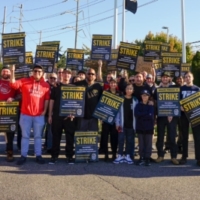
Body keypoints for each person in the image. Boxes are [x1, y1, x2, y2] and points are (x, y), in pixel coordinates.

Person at [10, 64, 50, 165]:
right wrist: (12, 71)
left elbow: (47, 99)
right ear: (32, 72)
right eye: (35, 71)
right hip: (25, 114)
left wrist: (45, 110)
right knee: (25, 136)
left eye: (39, 71)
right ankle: (23, 156)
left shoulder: (45, 85)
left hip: (39, 115)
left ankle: (38, 155)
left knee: (38, 136)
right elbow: (13, 84)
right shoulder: (24, 81)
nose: (37, 73)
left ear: (42, 73)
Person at [48, 68, 76, 164]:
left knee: (69, 137)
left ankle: (69, 156)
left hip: (69, 116)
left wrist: (74, 113)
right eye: (65, 73)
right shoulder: (56, 86)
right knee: (56, 136)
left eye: (68, 73)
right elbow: (52, 101)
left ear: (70, 75)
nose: (66, 75)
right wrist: (49, 115)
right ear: (62, 75)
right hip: (57, 116)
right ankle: (54, 156)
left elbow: (77, 102)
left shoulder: (74, 87)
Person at [153, 72, 179, 165]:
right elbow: (155, 103)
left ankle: (174, 157)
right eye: (163, 77)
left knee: (172, 137)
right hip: (161, 117)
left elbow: (176, 102)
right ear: (161, 79)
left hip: (172, 117)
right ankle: (160, 156)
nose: (164, 79)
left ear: (169, 79)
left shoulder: (174, 89)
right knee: (160, 137)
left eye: (166, 77)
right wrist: (155, 116)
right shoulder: (157, 90)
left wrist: (171, 113)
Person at [113, 84, 138, 164]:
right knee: (120, 140)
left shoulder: (135, 100)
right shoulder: (121, 99)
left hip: (131, 124)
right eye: (127, 88)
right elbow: (117, 113)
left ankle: (127, 156)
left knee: (129, 140)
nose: (129, 90)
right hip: (121, 125)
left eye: (131, 89)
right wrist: (117, 123)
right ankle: (120, 155)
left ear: (133, 91)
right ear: (125, 90)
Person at [179, 72, 200, 166]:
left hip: (195, 115)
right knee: (184, 136)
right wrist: (180, 106)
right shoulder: (181, 89)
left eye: (189, 76)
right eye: (186, 77)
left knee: (197, 137)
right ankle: (184, 156)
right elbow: (177, 100)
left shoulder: (197, 89)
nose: (187, 78)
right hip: (184, 115)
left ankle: (199, 158)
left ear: (193, 78)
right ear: (184, 79)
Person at [0, 66, 17, 162]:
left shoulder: (13, 83)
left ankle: (9, 151)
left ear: (10, 73)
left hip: (10, 109)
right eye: (4, 71)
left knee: (10, 132)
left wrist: (14, 98)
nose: (5, 73)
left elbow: (20, 94)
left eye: (7, 71)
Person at [101, 78, 120, 161]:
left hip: (115, 119)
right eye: (111, 83)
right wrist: (101, 117)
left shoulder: (119, 94)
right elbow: (101, 105)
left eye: (114, 83)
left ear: (116, 84)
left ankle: (114, 153)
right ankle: (106, 154)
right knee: (105, 136)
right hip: (106, 118)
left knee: (114, 137)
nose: (113, 84)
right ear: (109, 84)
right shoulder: (105, 93)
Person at [135, 90, 154, 166]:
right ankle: (141, 157)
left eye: (146, 95)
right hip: (140, 127)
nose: (144, 97)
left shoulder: (151, 105)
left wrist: (141, 115)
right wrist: (145, 114)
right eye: (143, 95)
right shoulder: (138, 105)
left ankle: (147, 158)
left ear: (148, 97)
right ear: (141, 96)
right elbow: (136, 114)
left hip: (149, 127)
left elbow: (150, 115)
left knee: (148, 143)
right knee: (141, 143)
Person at [43, 73, 57, 153]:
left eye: (54, 78)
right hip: (42, 112)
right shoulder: (44, 85)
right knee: (40, 132)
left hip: (51, 113)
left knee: (50, 132)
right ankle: (37, 148)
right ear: (48, 78)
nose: (53, 79)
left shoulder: (57, 86)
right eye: (51, 78)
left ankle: (49, 147)